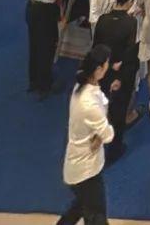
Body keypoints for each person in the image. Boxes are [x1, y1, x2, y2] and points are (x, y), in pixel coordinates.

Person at [56, 45, 115, 225]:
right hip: (86, 170)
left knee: (81, 206)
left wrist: (99, 133)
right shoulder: (89, 104)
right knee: (96, 216)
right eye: (106, 64)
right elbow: (108, 134)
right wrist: (100, 134)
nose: (108, 66)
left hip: (79, 166)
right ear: (98, 69)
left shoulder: (80, 88)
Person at [93, 0, 140, 161]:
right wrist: (120, 73)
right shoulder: (131, 23)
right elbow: (130, 53)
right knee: (119, 110)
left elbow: (96, 47)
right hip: (120, 76)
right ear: (130, 2)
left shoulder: (102, 20)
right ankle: (115, 148)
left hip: (102, 71)